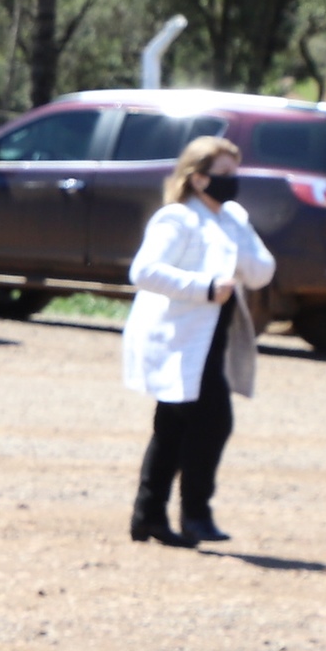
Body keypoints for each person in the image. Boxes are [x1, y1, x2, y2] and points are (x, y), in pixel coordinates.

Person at [124, 134, 274, 546]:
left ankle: (148, 516)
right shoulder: (177, 219)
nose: (233, 180)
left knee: (173, 427)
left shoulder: (232, 218)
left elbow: (262, 271)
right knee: (212, 422)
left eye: (234, 171)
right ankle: (196, 515)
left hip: (212, 340)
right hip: (177, 338)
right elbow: (144, 271)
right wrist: (203, 287)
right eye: (224, 172)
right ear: (199, 178)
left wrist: (237, 252)